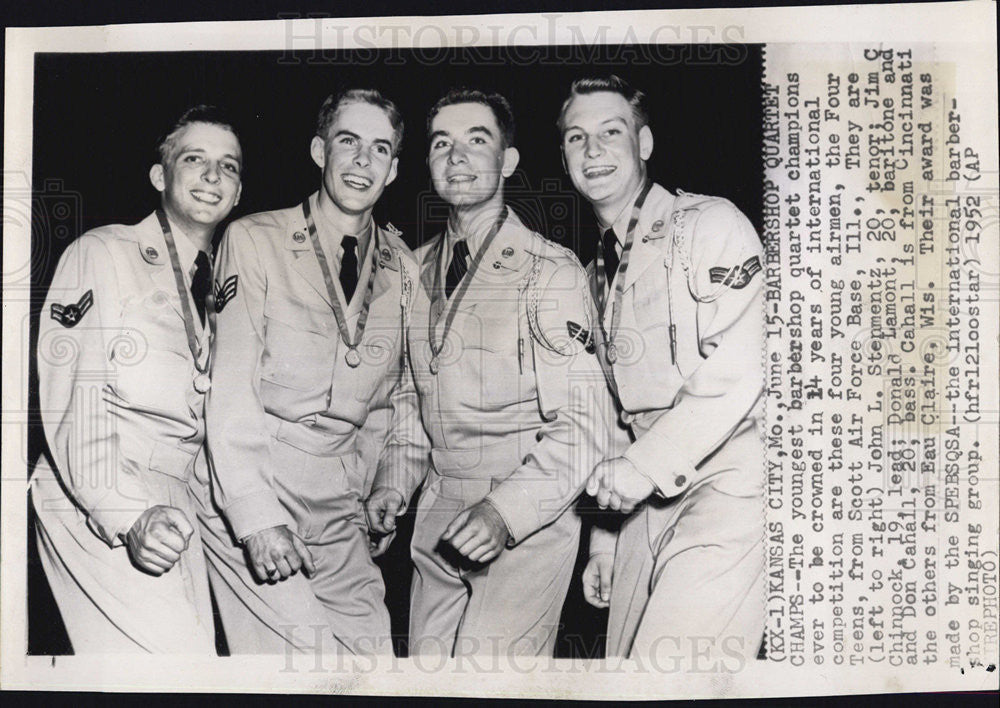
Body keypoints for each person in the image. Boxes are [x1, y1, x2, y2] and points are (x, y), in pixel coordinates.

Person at [365, 89, 620, 657]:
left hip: (523, 519)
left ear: (507, 161)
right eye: (440, 144)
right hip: (437, 517)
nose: (456, 156)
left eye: (476, 140)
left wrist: (506, 514)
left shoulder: (550, 271)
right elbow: (413, 398)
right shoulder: (413, 268)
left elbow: (585, 426)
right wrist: (392, 484)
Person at [197, 88, 422, 655]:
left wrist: (389, 485)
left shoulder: (404, 268)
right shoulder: (255, 240)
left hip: (338, 499)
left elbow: (401, 399)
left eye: (379, 149)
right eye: (349, 142)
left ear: (394, 169)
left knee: (375, 664)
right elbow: (229, 390)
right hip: (255, 481)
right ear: (321, 151)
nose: (362, 162)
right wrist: (254, 517)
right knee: (300, 662)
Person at [560, 76, 766, 662]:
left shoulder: (709, 223)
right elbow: (615, 415)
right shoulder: (592, 272)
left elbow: (745, 362)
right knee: (622, 675)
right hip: (642, 505)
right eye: (577, 138)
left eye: (610, 132)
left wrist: (641, 467)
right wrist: (603, 537)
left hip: (728, 481)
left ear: (644, 144)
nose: (593, 150)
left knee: (669, 672)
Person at [31, 105, 243, 652]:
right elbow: (75, 400)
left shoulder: (223, 285)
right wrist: (125, 514)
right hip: (103, 484)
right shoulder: (103, 252)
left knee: (195, 670)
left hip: (175, 495)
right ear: (160, 176)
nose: (213, 176)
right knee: (175, 667)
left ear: (239, 194)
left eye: (229, 166)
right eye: (194, 159)